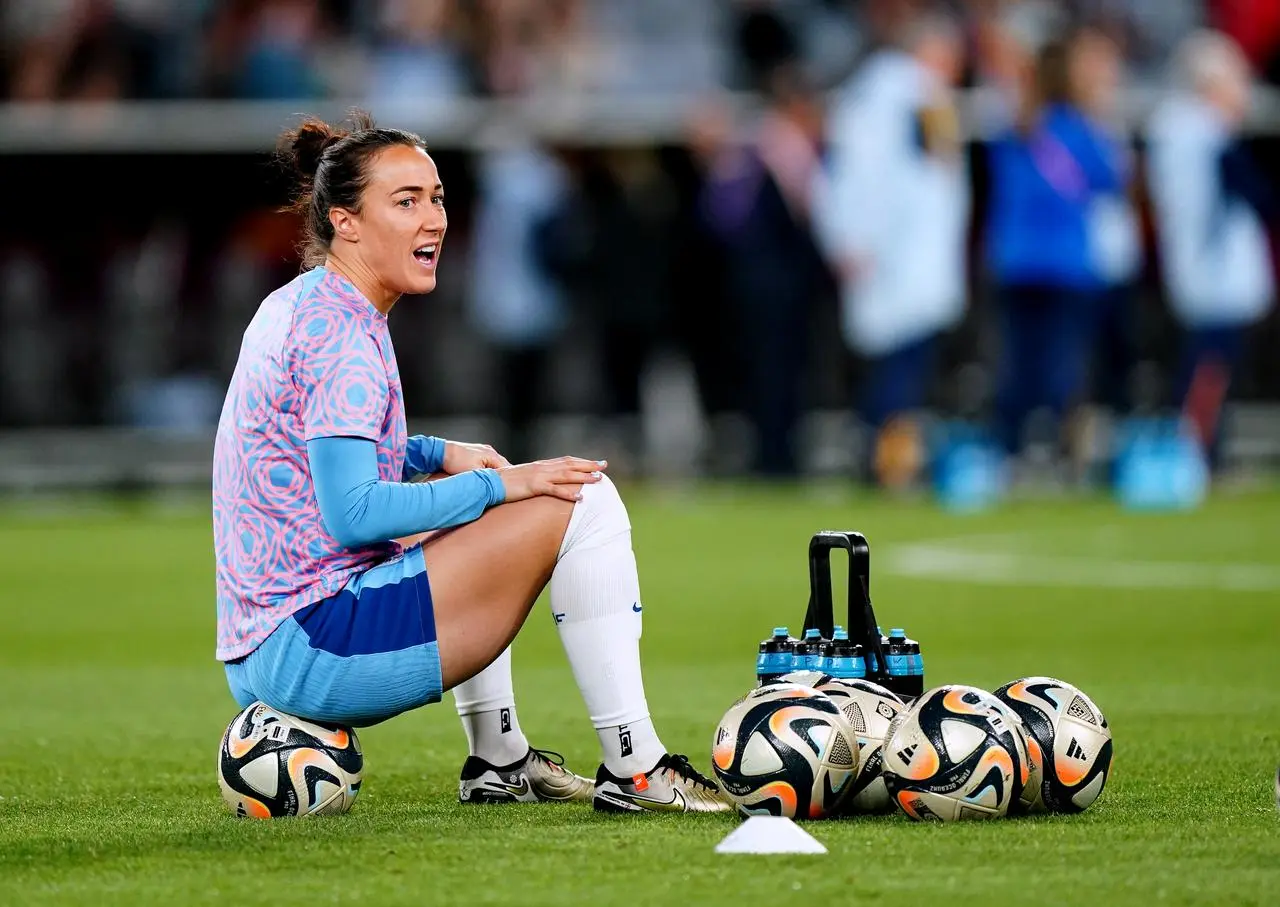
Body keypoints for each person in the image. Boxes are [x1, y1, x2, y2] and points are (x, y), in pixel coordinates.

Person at [211, 112, 729, 814]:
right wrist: (496, 485)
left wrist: (438, 453)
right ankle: (636, 768)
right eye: (406, 201)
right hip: (313, 648)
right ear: (346, 222)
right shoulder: (342, 336)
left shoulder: (303, 304)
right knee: (586, 495)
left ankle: (500, 758)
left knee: (478, 495)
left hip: (260, 651)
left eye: (438, 197)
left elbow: (327, 448)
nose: (434, 220)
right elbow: (354, 510)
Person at [812, 13, 970, 487]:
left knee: (902, 364)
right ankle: (889, 463)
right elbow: (869, 175)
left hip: (903, 255)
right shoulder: (901, 94)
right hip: (897, 256)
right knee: (899, 367)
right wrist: (854, 237)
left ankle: (894, 458)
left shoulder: (893, 94)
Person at [984, 34, 1125, 460]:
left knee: (1017, 360)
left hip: (1015, 261)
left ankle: (1008, 450)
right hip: (1065, 262)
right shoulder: (1077, 128)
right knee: (1064, 362)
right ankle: (1065, 453)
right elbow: (1111, 179)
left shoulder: (1016, 127)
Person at [1146, 31, 1276, 469]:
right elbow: (1258, 196)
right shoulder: (1204, 135)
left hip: (1198, 266)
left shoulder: (1178, 133)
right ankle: (1197, 451)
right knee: (1209, 367)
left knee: (1208, 363)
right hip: (1214, 270)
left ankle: (1198, 449)